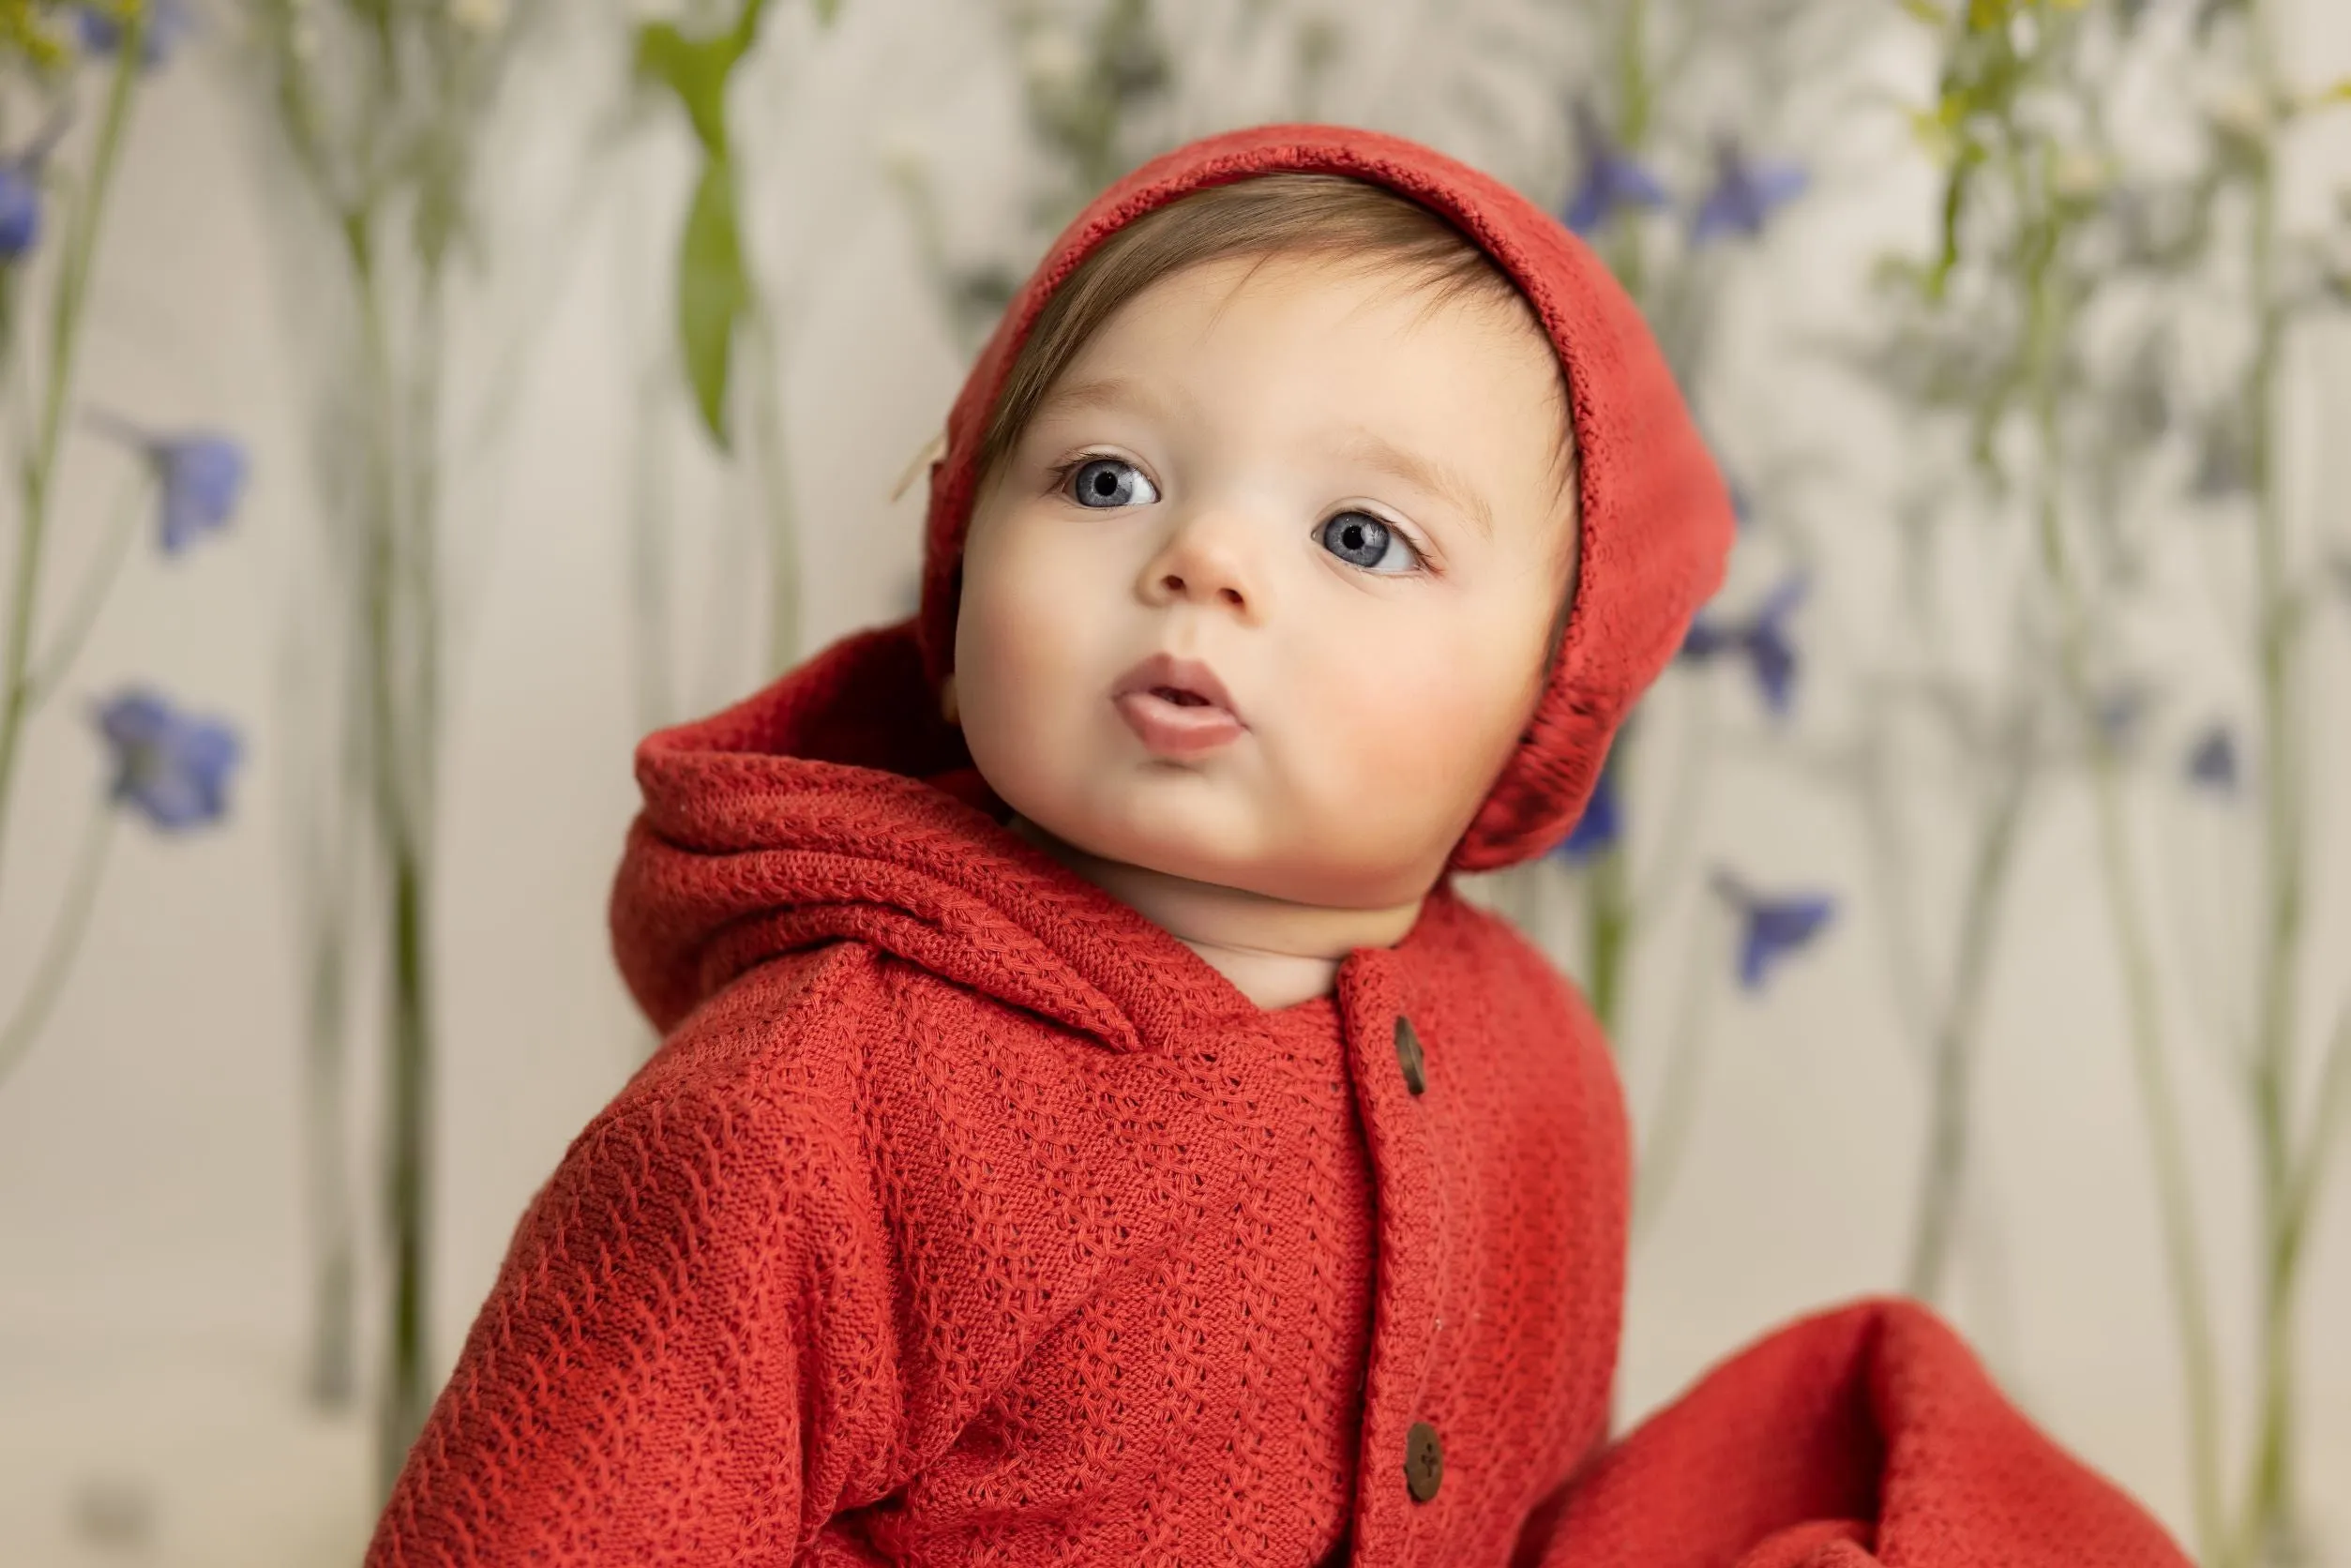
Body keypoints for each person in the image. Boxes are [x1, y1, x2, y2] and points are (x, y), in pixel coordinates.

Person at [365, 124, 2190, 1567]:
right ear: (958, 545)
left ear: (1552, 689)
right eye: (1101, 479)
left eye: (1362, 536)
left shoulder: (1531, 1062)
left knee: (1894, 1441)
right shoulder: (813, 1112)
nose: (1200, 560)